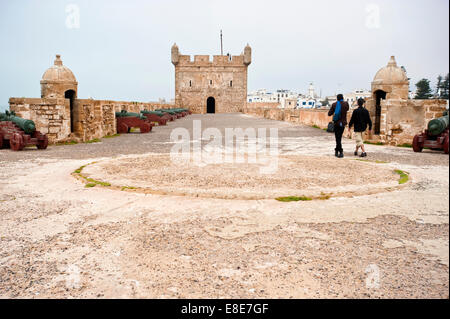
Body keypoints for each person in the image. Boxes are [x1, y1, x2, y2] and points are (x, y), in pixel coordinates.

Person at [328, 94, 349, 158]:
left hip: (336, 123)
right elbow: (347, 109)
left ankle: (340, 152)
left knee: (338, 138)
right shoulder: (346, 104)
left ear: (337, 98)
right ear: (342, 98)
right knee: (339, 138)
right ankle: (337, 150)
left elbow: (329, 114)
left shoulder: (334, 104)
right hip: (342, 124)